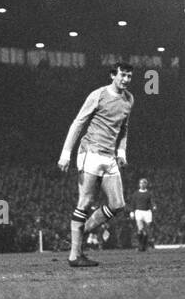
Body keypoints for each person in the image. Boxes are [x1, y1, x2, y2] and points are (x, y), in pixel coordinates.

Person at [57, 63, 134, 267]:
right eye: (123, 75)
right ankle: (75, 255)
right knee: (85, 203)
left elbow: (124, 128)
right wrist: (66, 153)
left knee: (118, 204)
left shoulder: (129, 99)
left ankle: (80, 235)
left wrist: (121, 152)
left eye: (129, 76)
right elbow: (78, 122)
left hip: (109, 157)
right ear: (112, 75)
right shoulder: (98, 95)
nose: (126, 80)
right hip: (90, 152)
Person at [130, 177, 156, 251]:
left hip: (147, 212)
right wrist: (132, 212)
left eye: (144, 183)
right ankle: (140, 246)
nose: (142, 184)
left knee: (147, 230)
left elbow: (152, 201)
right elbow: (133, 203)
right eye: (141, 183)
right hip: (139, 212)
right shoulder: (136, 193)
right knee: (140, 229)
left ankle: (145, 246)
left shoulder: (149, 193)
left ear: (146, 184)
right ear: (139, 184)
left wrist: (154, 206)